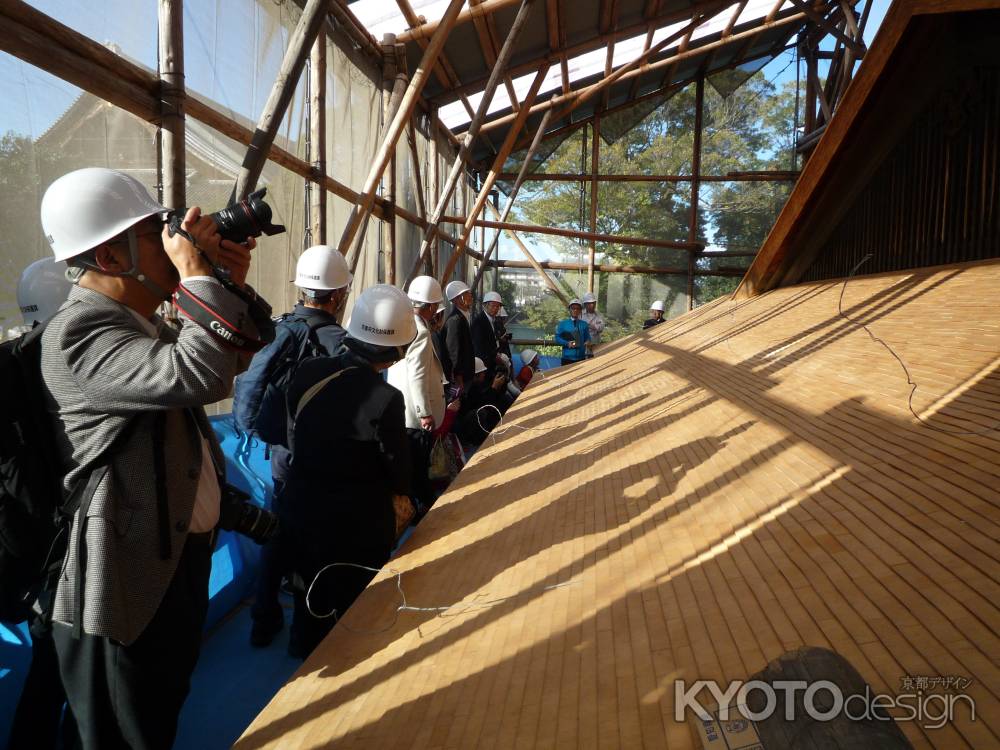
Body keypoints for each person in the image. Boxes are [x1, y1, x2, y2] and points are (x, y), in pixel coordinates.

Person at [37, 167, 266, 749]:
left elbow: (239, 355)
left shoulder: (137, 322)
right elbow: (200, 370)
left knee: (161, 709)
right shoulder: (80, 332)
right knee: (127, 734)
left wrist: (225, 281)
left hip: (172, 563)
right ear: (113, 257)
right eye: (157, 231)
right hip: (122, 587)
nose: (175, 242)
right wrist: (195, 275)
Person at [281, 285, 415, 659]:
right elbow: (397, 468)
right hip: (356, 522)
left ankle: (302, 661)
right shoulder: (386, 398)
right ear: (395, 353)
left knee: (306, 595)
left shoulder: (309, 372)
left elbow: (292, 430)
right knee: (354, 605)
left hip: (302, 504)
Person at [233, 245, 350, 648]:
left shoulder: (279, 328)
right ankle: (307, 630)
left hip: (282, 453)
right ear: (337, 296)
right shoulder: (340, 343)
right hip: (321, 459)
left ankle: (263, 617)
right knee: (315, 538)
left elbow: (250, 381)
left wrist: (253, 429)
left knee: (281, 530)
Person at [7, 257, 77, 750]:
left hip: (26, 548)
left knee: (50, 657)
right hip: (53, 547)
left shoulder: (10, 361)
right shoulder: (59, 366)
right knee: (59, 662)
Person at [387, 275, 448, 511]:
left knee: (409, 467)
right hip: (414, 414)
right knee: (419, 467)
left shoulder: (401, 324)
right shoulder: (421, 332)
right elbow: (418, 374)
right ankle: (422, 511)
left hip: (400, 408)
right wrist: (425, 413)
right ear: (431, 306)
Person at [455, 357, 507, 449]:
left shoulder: (479, 385)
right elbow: (483, 405)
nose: (484, 374)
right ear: (476, 375)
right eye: (482, 372)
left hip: (475, 421)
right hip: (470, 427)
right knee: (481, 413)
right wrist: (494, 388)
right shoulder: (469, 390)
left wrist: (497, 388)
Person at [443, 280, 475, 397]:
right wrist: (458, 378)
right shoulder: (454, 321)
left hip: (467, 374)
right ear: (456, 299)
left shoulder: (464, 316)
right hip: (461, 378)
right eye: (466, 293)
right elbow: (453, 352)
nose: (470, 295)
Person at [471, 290, 504, 382]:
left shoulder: (493, 320)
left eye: (498, 306)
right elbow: (479, 347)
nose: (496, 309)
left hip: (491, 363)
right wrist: (493, 357)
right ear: (485, 305)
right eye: (493, 306)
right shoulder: (479, 322)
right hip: (484, 366)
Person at [555, 298, 591, 366]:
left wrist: (588, 342)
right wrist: (567, 343)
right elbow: (557, 338)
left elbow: (588, 338)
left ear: (580, 310)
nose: (575, 310)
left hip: (581, 358)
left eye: (578, 308)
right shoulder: (563, 324)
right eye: (573, 308)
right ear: (569, 309)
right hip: (567, 358)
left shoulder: (584, 324)